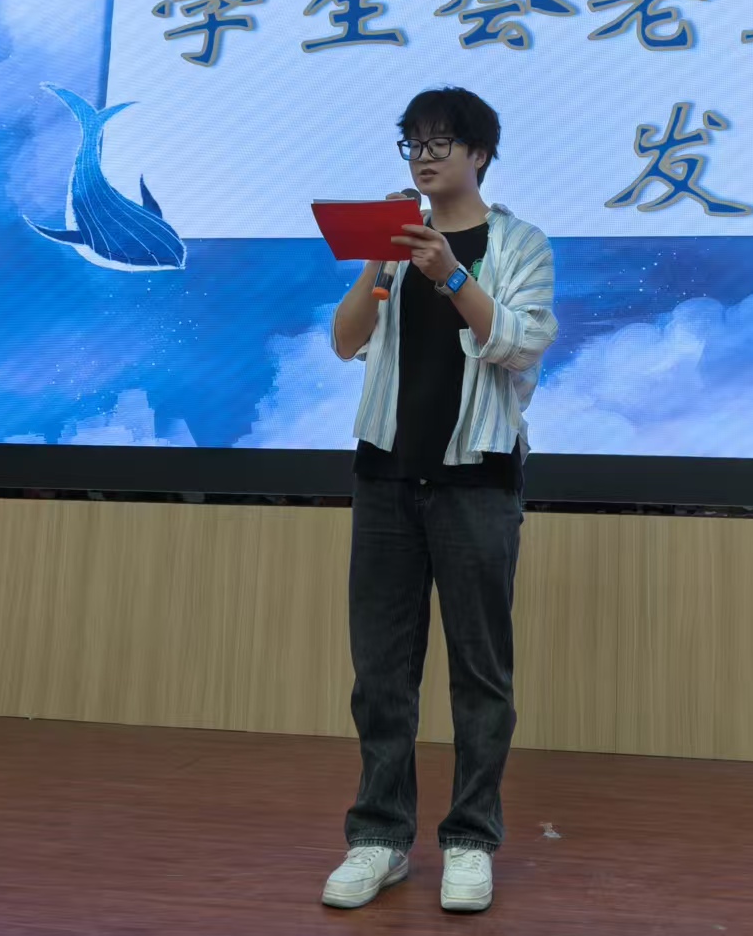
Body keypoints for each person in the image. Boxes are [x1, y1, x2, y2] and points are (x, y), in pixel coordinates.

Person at [321, 86, 557, 914]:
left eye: (441, 143)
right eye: (413, 143)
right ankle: (379, 838)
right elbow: (346, 340)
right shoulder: (394, 242)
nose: (424, 157)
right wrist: (377, 264)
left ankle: (469, 839)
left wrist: (452, 273)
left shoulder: (520, 242)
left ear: (479, 154)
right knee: (381, 673)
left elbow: (521, 341)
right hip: (385, 474)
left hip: (477, 480)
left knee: (480, 674)